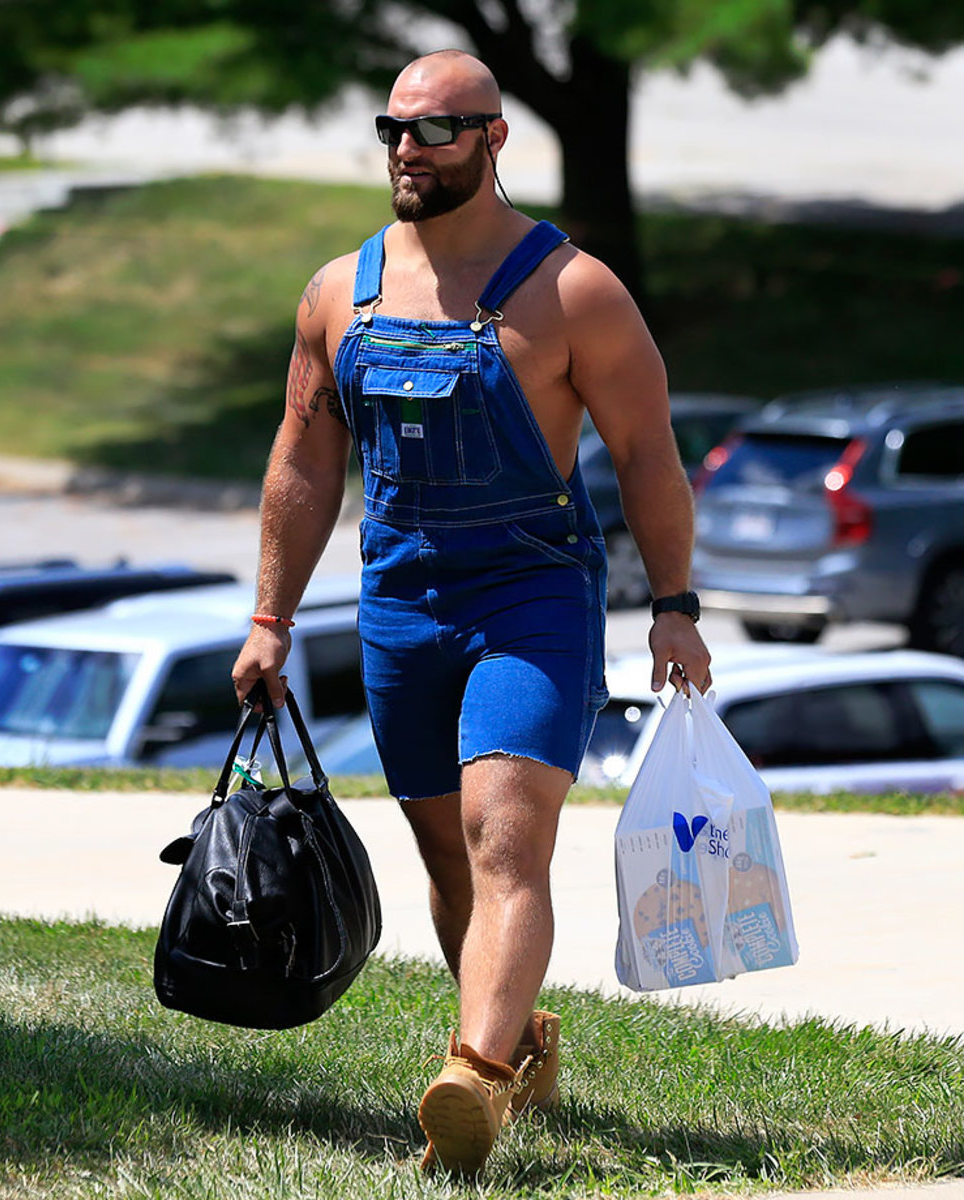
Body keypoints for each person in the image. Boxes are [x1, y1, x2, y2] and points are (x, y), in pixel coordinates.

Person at [232, 48, 712, 1175]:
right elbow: (301, 465)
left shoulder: (573, 289)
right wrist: (270, 619)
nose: (409, 150)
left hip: (531, 595)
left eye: (437, 130)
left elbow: (646, 457)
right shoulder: (336, 294)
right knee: (450, 861)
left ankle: (471, 1081)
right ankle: (521, 1046)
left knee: (507, 840)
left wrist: (675, 605)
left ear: (493, 139)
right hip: (400, 597)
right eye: (393, 129)